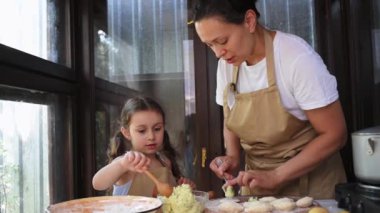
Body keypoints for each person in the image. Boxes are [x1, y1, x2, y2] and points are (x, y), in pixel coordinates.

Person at [193, 0, 347, 198]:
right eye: (209, 45)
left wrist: (277, 175)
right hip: (257, 186)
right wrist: (232, 155)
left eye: (222, 41)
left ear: (249, 21)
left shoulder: (296, 58)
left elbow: (335, 134)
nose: (217, 53)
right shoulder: (227, 64)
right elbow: (229, 114)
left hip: (312, 186)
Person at [92, 96, 195, 197]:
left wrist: (182, 189)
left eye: (157, 128)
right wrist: (122, 165)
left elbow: (169, 197)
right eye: (142, 131)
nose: (151, 136)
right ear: (127, 133)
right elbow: (97, 184)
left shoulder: (165, 162)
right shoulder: (126, 162)